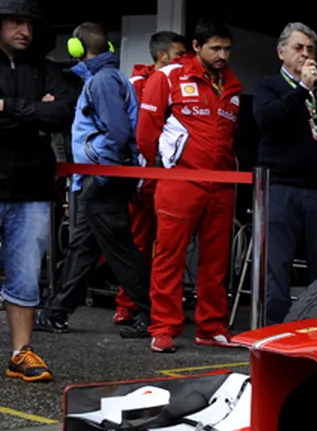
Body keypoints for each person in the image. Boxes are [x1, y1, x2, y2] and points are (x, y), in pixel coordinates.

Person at [35, 22, 152, 338]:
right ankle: (56, 312)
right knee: (82, 246)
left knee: (119, 249)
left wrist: (101, 175)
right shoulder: (107, 78)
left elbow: (118, 132)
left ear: (76, 48)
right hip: (99, 177)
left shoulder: (102, 81)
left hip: (102, 178)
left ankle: (151, 312)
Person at [137, 18, 242, 353]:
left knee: (216, 261)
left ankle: (211, 327)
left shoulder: (232, 84)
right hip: (179, 181)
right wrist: (160, 173)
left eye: (227, 48)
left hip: (222, 185)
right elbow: (145, 134)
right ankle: (163, 327)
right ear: (196, 47)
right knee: (169, 256)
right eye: (215, 48)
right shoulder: (168, 77)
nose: (222, 54)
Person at [254, 22, 317, 324]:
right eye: (299, 48)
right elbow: (268, 121)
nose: (306, 54)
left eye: (311, 49)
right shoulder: (270, 85)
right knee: (277, 266)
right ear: (281, 52)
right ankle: (272, 333)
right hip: (281, 188)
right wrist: (302, 89)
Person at [0, 0, 72, 382]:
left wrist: (7, 109)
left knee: (26, 273)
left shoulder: (46, 70)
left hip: (31, 185)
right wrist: (33, 115)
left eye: (28, 23)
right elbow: (45, 117)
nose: (24, 30)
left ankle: (20, 353)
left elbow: (63, 113)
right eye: (15, 22)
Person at [111, 29, 186, 326]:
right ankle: (126, 303)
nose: (186, 61)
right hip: (142, 177)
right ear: (162, 56)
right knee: (139, 244)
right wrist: (134, 176)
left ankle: (158, 308)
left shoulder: (184, 82)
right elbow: (125, 132)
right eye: (180, 55)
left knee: (167, 249)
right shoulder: (134, 84)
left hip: (171, 178)